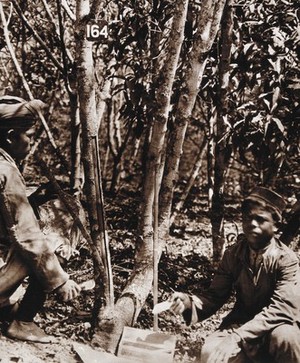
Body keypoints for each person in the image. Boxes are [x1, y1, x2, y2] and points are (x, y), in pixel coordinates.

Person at [170, 187, 300, 363]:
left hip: (276, 326)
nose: (252, 224)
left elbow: (281, 310)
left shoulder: (287, 260)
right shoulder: (233, 254)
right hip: (242, 321)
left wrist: (237, 337)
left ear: (275, 226)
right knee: (211, 352)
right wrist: (188, 302)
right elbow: (215, 295)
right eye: (247, 218)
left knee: (286, 338)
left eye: (260, 219)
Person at [0, 95, 81, 343]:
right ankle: (24, 321)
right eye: (30, 136)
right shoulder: (6, 171)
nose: (31, 142)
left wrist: (33, 199)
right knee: (54, 235)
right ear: (11, 136)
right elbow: (26, 235)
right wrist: (59, 279)